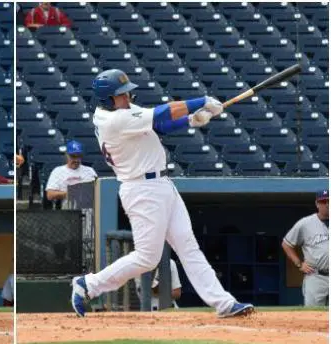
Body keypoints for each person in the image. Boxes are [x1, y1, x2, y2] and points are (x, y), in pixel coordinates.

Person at [70, 69, 254, 318]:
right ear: (107, 99)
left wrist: (190, 120)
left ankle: (224, 303)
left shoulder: (118, 114)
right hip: (141, 190)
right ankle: (88, 285)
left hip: (161, 185)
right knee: (147, 258)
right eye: (121, 94)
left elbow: (159, 127)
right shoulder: (115, 120)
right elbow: (162, 114)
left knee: (188, 247)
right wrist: (201, 102)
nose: (128, 97)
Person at [281, 190, 329, 306]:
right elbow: (286, 244)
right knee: (313, 314)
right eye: (323, 201)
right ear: (317, 204)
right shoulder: (305, 223)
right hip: (316, 276)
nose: (327, 204)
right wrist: (299, 264)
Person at [45, 140, 97, 204]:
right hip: (68, 209)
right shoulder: (57, 171)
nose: (76, 160)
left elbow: (98, 191)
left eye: (78, 156)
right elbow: (50, 195)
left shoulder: (90, 171)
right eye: (73, 156)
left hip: (89, 206)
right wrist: (71, 193)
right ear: (67, 155)